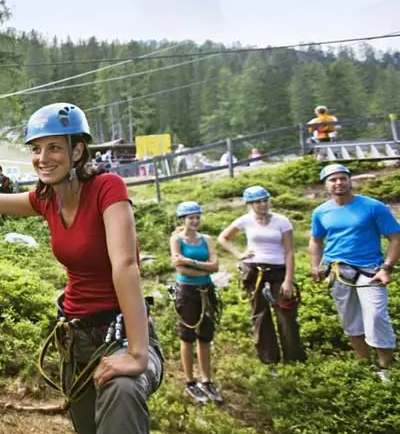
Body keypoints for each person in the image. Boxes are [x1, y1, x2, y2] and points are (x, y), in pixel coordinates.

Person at [0, 102, 163, 434]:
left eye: (55, 147)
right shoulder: (46, 199)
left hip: (120, 331)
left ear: (77, 151)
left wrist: (136, 353)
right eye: (36, 149)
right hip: (76, 339)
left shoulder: (108, 188)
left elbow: (125, 265)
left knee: (122, 392)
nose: (43, 157)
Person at [309, 164, 400, 381]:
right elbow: (316, 240)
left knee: (377, 315)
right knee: (350, 319)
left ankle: (386, 367)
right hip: (338, 269)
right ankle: (364, 364)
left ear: (350, 180)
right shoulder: (321, 211)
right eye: (333, 180)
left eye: (342, 178)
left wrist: (387, 268)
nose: (338, 183)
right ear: (326, 184)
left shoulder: (373, 207)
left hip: (371, 270)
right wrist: (316, 266)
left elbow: (396, 238)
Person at [218, 186, 306, 366]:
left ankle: (294, 360)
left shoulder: (282, 221)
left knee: (286, 315)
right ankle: (269, 359)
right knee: (260, 315)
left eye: (265, 200)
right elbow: (223, 238)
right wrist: (239, 254)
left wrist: (288, 280)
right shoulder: (245, 220)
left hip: (278, 270)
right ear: (250, 204)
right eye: (258, 202)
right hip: (255, 270)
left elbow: (289, 251)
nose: (263, 204)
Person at [169, 201, 223, 404]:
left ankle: (206, 379)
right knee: (187, 335)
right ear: (183, 220)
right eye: (191, 217)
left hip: (206, 290)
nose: (195, 221)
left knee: (205, 335)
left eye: (197, 217)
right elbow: (180, 269)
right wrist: (204, 267)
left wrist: (190, 261)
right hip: (187, 291)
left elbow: (215, 266)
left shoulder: (206, 239)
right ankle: (190, 381)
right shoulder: (176, 239)